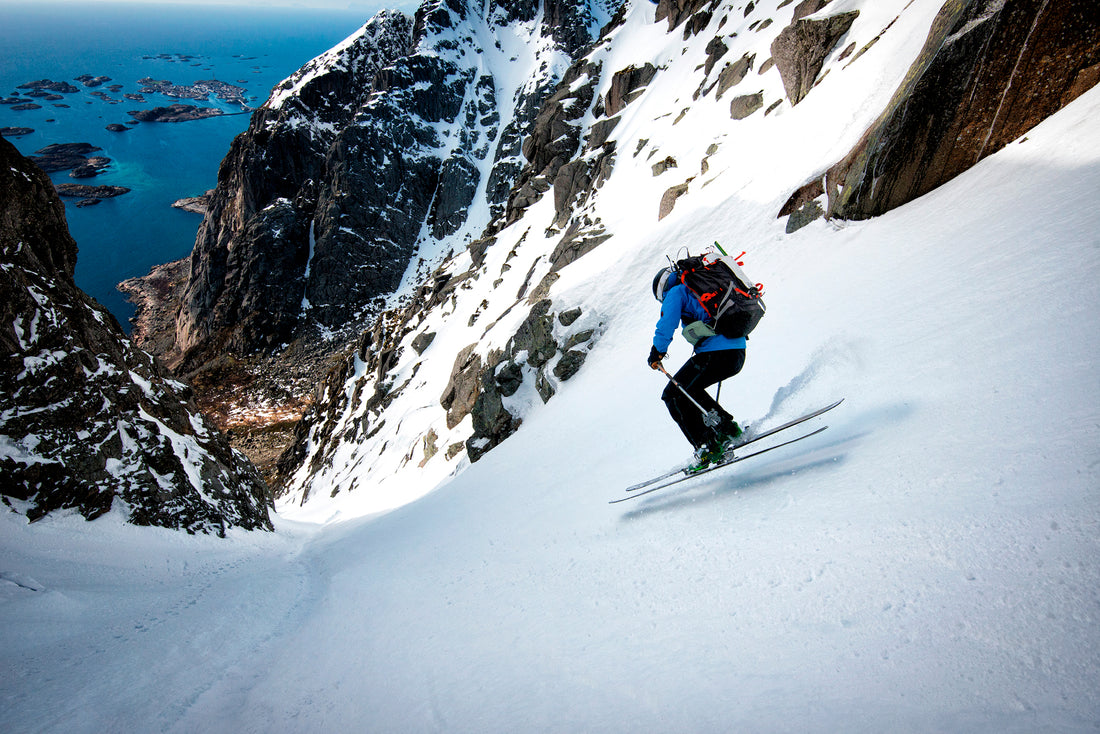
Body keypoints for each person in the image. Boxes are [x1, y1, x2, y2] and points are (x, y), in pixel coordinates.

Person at [648, 266, 744, 467]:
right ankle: (728, 429)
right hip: (736, 352)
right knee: (688, 390)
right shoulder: (699, 288)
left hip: (715, 354)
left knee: (673, 394)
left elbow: (667, 323)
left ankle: (706, 447)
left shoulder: (677, 291)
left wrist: (656, 352)